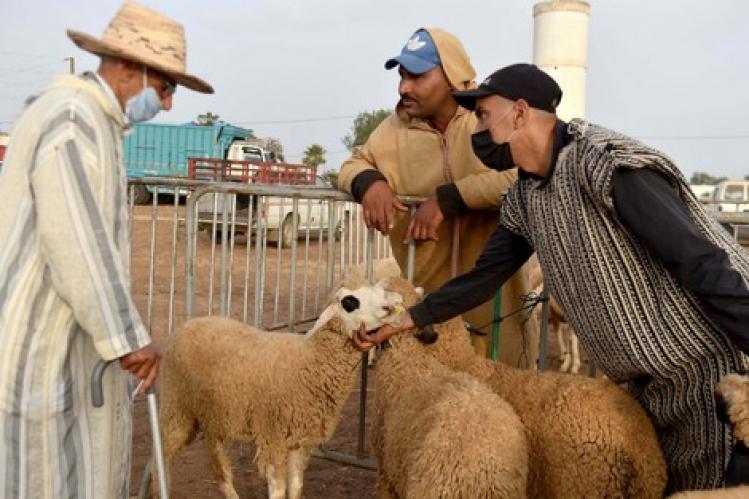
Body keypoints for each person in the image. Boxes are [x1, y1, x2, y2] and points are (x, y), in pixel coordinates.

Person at [357, 63, 749, 493]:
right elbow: (483, 278)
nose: (478, 129)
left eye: (485, 115)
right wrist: (411, 319)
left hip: (709, 371)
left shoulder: (606, 166)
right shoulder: (527, 197)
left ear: (521, 113)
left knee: (714, 488)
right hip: (648, 383)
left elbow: (698, 260)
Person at [0, 2, 213, 497]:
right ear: (127, 68)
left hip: (64, 343)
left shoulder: (94, 123)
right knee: (41, 478)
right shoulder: (72, 120)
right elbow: (76, 241)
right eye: (165, 88)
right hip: (37, 348)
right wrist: (128, 338)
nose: (167, 105)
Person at [338, 29, 537, 365]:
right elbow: (353, 163)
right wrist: (369, 182)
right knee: (433, 408)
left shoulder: (488, 118)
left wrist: (451, 198)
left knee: (502, 403)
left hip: (496, 305)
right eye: (402, 76)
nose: (404, 87)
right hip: (428, 310)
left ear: (453, 78)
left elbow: (528, 171)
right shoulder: (393, 130)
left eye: (417, 76)